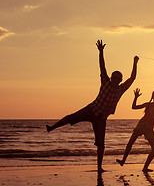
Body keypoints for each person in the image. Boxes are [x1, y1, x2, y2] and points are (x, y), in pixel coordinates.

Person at [46, 40, 139, 174]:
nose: (115, 80)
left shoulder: (120, 89)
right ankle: (52, 127)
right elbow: (102, 66)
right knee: (71, 117)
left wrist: (135, 63)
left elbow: (133, 78)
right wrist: (101, 52)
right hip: (91, 110)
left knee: (101, 144)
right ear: (111, 77)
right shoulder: (105, 82)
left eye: (118, 78)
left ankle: (99, 167)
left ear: (120, 80)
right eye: (114, 77)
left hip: (101, 119)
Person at [116, 88, 154, 172]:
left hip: (149, 128)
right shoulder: (148, 104)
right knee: (130, 142)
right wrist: (136, 97)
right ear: (153, 96)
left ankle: (145, 168)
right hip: (142, 125)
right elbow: (134, 107)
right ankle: (123, 161)